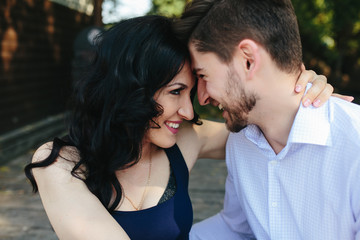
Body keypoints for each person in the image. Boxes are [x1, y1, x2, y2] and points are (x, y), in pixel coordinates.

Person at [25, 15, 334, 240]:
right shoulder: (59, 162)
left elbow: (272, 127)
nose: (188, 111)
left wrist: (298, 90)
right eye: (175, 92)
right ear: (129, 90)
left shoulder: (185, 140)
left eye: (190, 92)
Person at [174, 0, 360, 239]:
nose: (201, 96)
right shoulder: (241, 141)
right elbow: (236, 229)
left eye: (203, 75)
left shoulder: (353, 146)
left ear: (248, 59)